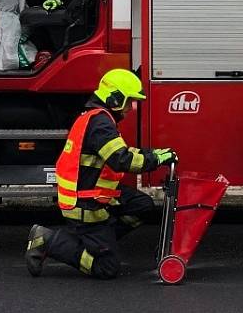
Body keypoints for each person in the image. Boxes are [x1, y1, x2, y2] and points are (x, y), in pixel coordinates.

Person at [25, 68, 177, 279]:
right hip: (87, 204)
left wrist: (152, 154)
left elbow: (119, 153)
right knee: (107, 268)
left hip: (95, 194)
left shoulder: (98, 118)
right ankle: (49, 241)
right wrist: (157, 159)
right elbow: (121, 160)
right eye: (129, 102)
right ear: (115, 98)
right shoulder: (101, 123)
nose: (131, 108)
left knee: (142, 206)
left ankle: (102, 241)